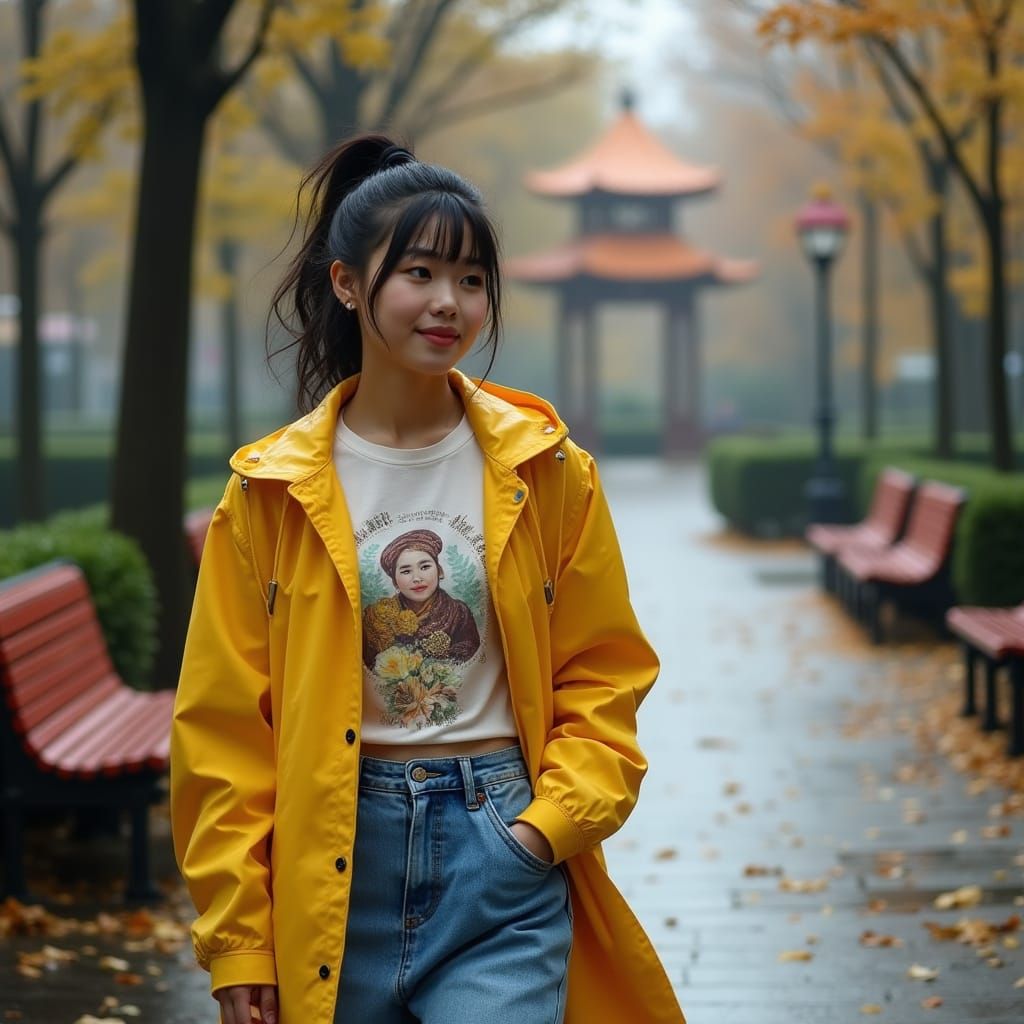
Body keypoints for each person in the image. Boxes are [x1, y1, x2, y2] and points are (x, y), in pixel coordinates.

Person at [170, 133, 686, 1024]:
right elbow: (223, 732)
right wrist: (239, 937)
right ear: (346, 283)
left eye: (474, 279)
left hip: (500, 856)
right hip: (332, 865)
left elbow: (605, 675)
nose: (449, 302)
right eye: (418, 273)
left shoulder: (549, 472)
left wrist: (540, 831)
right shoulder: (269, 494)